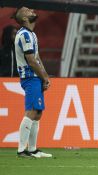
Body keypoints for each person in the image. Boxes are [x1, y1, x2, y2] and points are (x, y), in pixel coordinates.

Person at [12, 7, 52, 158]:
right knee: (31, 111)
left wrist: (45, 75)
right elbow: (31, 61)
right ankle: (22, 150)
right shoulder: (24, 35)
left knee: (38, 112)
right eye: (27, 11)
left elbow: (36, 57)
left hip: (36, 76)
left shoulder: (32, 34)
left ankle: (33, 149)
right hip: (30, 77)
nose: (31, 10)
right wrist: (44, 77)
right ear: (24, 19)